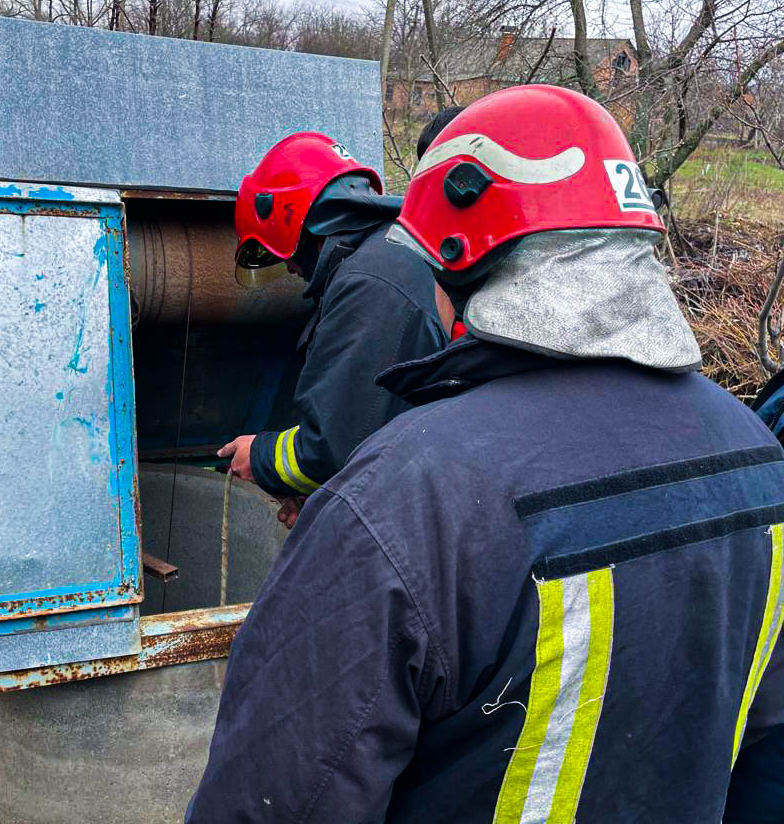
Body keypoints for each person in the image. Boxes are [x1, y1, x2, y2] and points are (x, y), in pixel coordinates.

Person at [187, 85, 784, 822]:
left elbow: (274, 802)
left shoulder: (401, 501)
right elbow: (764, 751)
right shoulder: (760, 457)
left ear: (457, 262)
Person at [217, 130, 448, 528]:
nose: (291, 268)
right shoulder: (391, 254)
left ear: (294, 221)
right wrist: (321, 493)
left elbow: (333, 446)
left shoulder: (369, 282)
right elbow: (373, 429)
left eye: (285, 254)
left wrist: (259, 456)